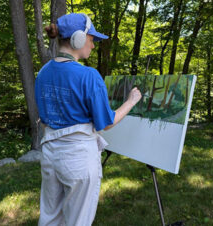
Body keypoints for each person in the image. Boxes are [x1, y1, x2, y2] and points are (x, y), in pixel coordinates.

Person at [35, 13, 142, 226]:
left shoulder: (43, 72)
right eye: (91, 40)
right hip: (78, 159)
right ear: (78, 39)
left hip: (49, 155)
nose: (93, 46)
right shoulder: (88, 76)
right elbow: (107, 122)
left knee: (50, 217)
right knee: (78, 221)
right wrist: (131, 101)